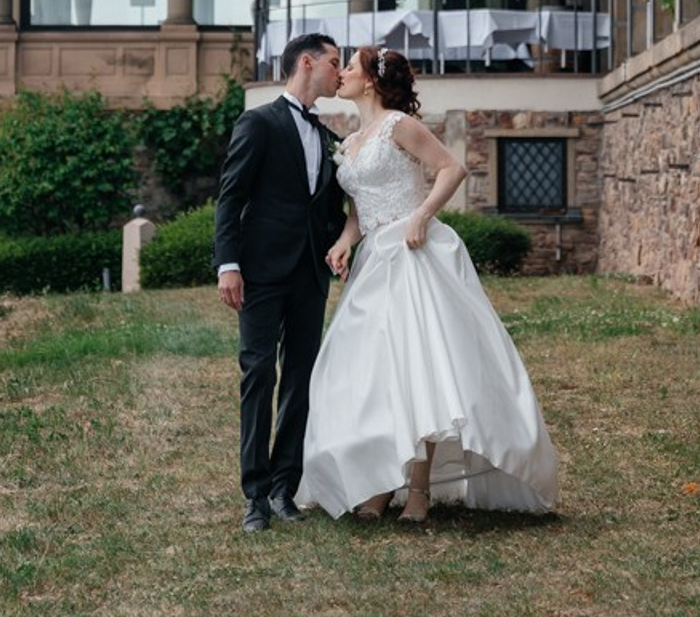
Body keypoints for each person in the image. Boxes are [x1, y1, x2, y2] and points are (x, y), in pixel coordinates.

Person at [297, 45, 559, 524]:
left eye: (349, 67)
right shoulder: (351, 142)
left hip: (413, 255)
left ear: (370, 81)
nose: (343, 74)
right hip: (374, 261)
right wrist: (345, 241)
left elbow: (451, 168)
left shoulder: (399, 125)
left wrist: (421, 215)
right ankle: (381, 481)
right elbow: (360, 208)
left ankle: (419, 490)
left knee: (420, 369)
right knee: (376, 374)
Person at [214, 30, 344, 534]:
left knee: (300, 378)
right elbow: (231, 197)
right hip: (261, 272)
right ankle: (255, 496)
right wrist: (228, 264)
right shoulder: (259, 122)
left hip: (310, 273)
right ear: (306, 63)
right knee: (258, 374)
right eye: (334, 62)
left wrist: (339, 247)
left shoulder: (329, 137)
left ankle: (284, 487)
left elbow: (328, 210)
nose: (340, 72)